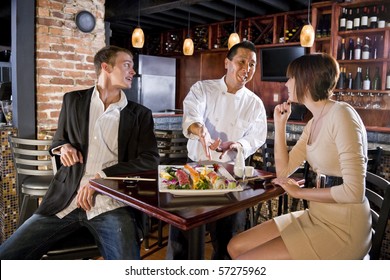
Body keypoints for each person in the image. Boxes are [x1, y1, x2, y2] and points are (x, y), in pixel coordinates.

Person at [0, 45, 160, 260]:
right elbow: (58, 138)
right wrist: (62, 147)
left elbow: (150, 159)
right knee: (7, 255)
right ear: (106, 67)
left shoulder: (140, 114)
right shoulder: (72, 100)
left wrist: (100, 178)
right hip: (65, 200)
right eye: (127, 65)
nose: (133, 71)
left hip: (111, 201)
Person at [227, 53, 372, 260]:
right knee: (235, 246)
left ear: (307, 81)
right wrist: (280, 125)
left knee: (244, 262)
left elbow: (354, 192)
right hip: (317, 216)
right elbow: (284, 171)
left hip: (343, 229)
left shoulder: (342, 115)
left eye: (291, 78)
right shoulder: (314, 122)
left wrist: (299, 193)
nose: (286, 83)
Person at [166, 41, 267, 259]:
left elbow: (256, 137)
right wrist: (200, 130)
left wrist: (239, 145)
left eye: (252, 64)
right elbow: (192, 115)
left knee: (227, 240)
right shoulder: (203, 88)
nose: (247, 69)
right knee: (182, 237)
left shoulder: (255, 103)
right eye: (241, 62)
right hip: (195, 170)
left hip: (231, 173)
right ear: (227, 63)